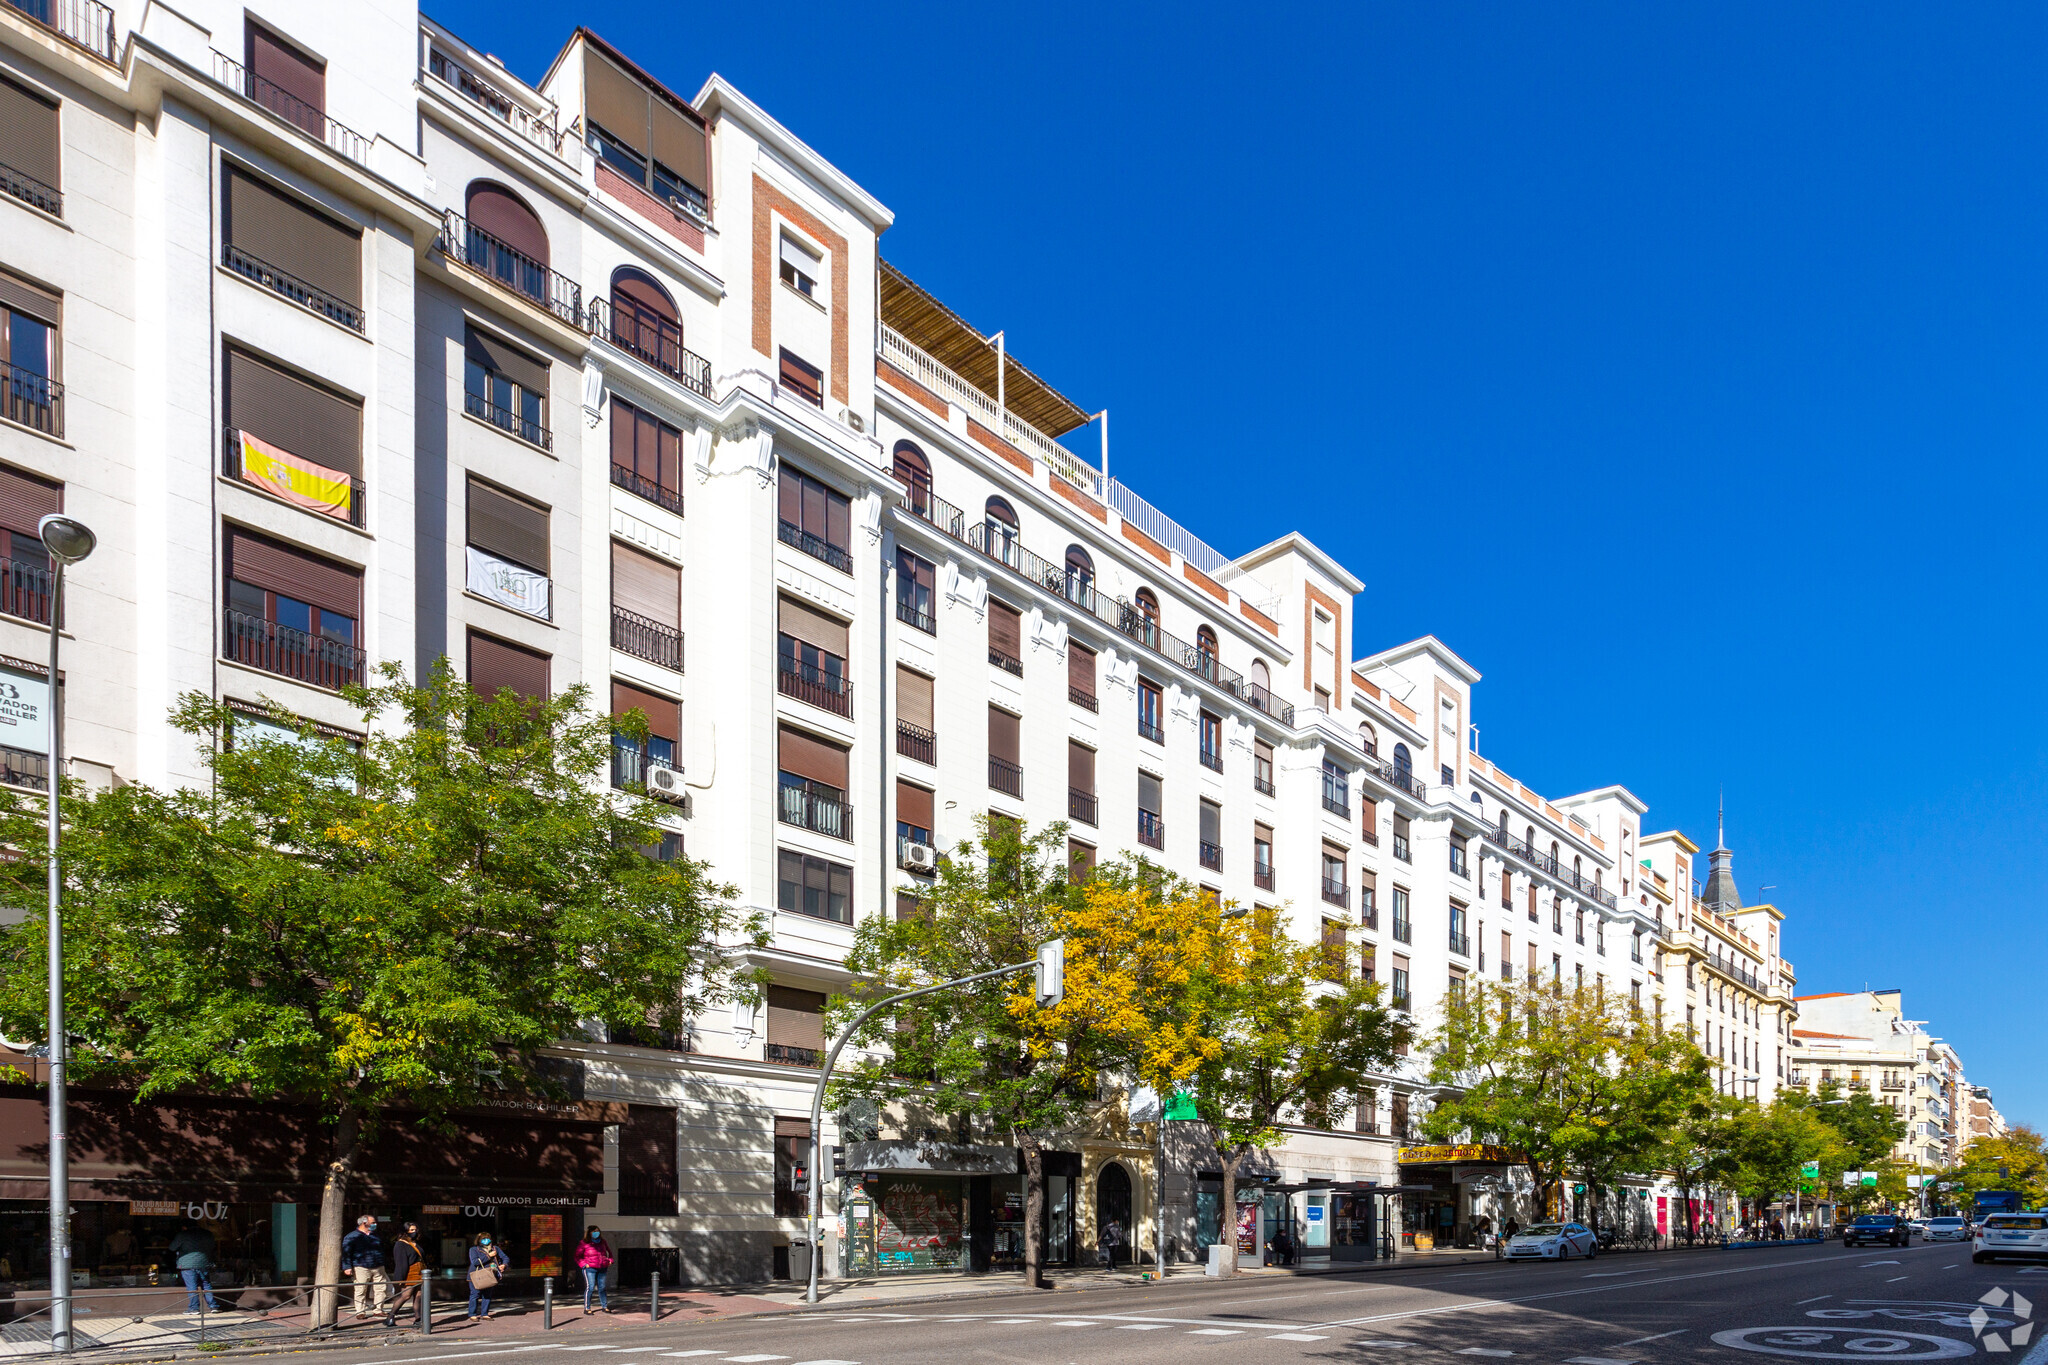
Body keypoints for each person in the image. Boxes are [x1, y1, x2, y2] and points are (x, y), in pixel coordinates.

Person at [341, 1215, 391, 1320]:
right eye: (372, 1223)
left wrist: (382, 1261)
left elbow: (382, 1248)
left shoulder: (376, 1235)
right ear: (364, 1223)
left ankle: (378, 1310)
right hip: (361, 1267)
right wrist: (347, 1267)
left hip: (378, 1266)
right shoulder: (351, 1236)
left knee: (381, 1288)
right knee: (360, 1289)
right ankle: (360, 1311)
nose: (375, 1224)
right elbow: (346, 1253)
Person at [168, 1224, 224, 1314]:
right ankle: (214, 1307)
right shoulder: (207, 1234)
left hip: (187, 1264)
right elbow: (213, 1246)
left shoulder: (183, 1234)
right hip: (204, 1262)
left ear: (184, 1226)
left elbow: (172, 1247)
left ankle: (194, 1308)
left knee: (192, 1286)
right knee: (206, 1284)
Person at [385, 1223, 427, 1328]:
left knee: (418, 1295)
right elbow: (400, 1263)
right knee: (406, 1295)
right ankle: (390, 1317)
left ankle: (418, 1319)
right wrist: (399, 1278)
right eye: (411, 1230)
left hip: (420, 1272)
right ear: (405, 1231)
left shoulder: (415, 1243)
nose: (414, 1232)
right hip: (409, 1273)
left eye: (415, 1229)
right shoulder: (400, 1244)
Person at [467, 1233, 508, 1321]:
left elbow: (505, 1257)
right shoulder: (474, 1249)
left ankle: (484, 1314)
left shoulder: (495, 1248)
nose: (486, 1241)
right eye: (483, 1239)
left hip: (490, 1275)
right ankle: (472, 1314)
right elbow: (475, 1262)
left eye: (488, 1238)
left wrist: (504, 1265)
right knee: (475, 1294)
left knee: (487, 1295)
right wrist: (488, 1256)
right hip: (476, 1276)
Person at [574, 1228, 615, 1314]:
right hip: (590, 1268)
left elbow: (609, 1252)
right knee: (590, 1287)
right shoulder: (584, 1243)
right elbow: (577, 1256)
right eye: (593, 1231)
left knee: (602, 1287)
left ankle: (604, 1306)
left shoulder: (603, 1242)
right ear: (589, 1233)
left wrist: (610, 1260)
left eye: (597, 1231)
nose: (596, 1233)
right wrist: (585, 1265)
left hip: (602, 1267)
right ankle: (587, 1308)